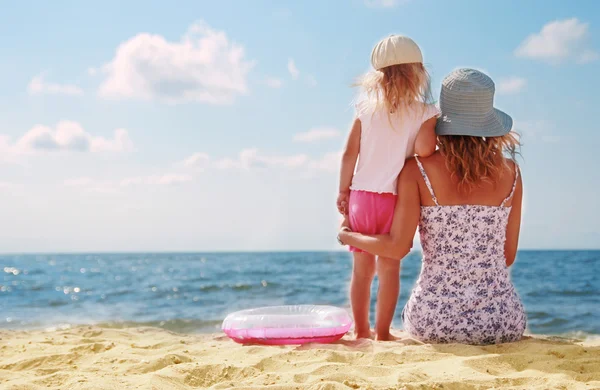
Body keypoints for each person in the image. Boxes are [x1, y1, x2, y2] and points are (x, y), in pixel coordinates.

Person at [338, 68, 527, 345]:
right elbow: (506, 256)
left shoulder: (417, 171)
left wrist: (347, 235)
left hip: (433, 320)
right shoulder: (512, 172)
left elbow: (396, 247)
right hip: (501, 322)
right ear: (488, 122)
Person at [337, 35, 440, 341]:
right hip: (395, 200)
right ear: (417, 74)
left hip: (361, 197)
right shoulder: (425, 112)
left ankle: (361, 331)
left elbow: (348, 154)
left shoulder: (364, 109)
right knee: (390, 268)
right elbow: (424, 150)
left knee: (361, 270)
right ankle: (383, 332)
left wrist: (343, 191)